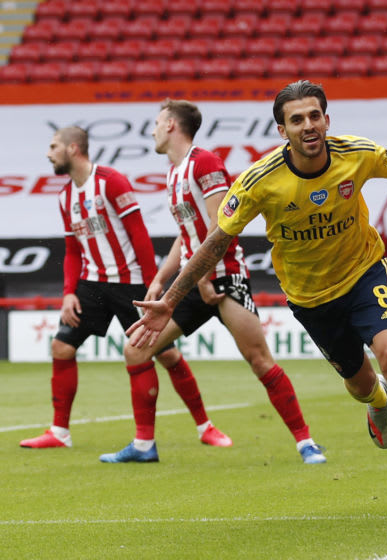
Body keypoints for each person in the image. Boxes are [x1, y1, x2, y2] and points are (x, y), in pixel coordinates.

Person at [126, 80, 387, 515]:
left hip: (364, 274)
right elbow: (215, 241)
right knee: (360, 386)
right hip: (311, 297)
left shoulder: (357, 153)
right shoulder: (259, 181)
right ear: (282, 131)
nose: (308, 125)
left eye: (314, 116)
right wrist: (171, 299)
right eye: (296, 120)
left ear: (326, 120)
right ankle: (378, 402)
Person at [99, 99, 326, 465]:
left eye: (156, 123)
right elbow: (186, 234)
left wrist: (205, 277)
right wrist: (160, 279)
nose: (152, 131)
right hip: (193, 283)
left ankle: (306, 443)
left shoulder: (205, 163)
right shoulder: (174, 173)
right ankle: (143, 445)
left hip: (224, 280)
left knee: (259, 360)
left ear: (171, 125)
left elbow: (219, 225)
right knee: (136, 350)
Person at [19, 126, 232, 453]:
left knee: (166, 354)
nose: (49, 154)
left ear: (73, 148)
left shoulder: (111, 181)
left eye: (53, 146)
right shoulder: (65, 197)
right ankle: (60, 432)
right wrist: (68, 292)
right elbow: (73, 250)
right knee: (61, 347)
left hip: (129, 284)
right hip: (92, 285)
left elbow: (139, 234)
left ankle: (206, 427)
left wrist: (151, 286)